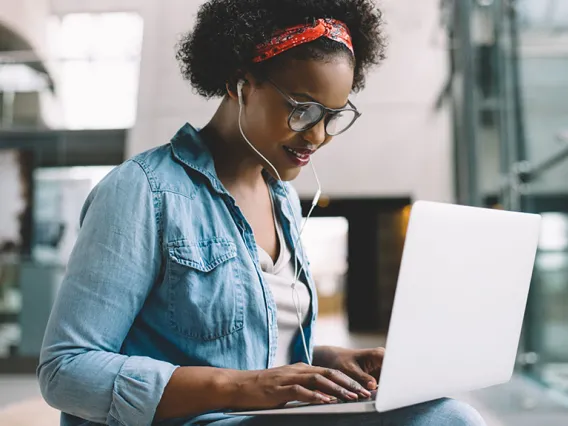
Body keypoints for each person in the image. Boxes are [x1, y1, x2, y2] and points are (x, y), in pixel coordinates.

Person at [38, 1, 486, 425]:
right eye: (302, 109)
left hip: (271, 417)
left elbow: (252, 346)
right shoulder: (142, 192)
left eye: (333, 116)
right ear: (240, 84)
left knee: (447, 417)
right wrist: (239, 387)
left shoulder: (282, 200)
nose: (318, 136)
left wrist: (325, 362)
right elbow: (66, 370)